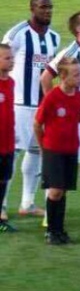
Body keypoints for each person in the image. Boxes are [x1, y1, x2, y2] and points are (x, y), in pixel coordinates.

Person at [1, 0, 60, 220]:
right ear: (32, 8)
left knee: (35, 151)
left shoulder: (54, 37)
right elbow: (2, 59)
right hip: (18, 104)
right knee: (10, 153)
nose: (47, 11)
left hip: (41, 105)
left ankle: (27, 202)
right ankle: (2, 204)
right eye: (43, 7)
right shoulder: (17, 34)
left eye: (50, 7)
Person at [41, 11, 80, 221]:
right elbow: (46, 77)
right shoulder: (69, 52)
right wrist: (56, 107)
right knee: (61, 170)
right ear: (79, 29)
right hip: (71, 121)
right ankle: (50, 216)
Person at [34, 57, 80, 245]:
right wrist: (43, 147)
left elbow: (76, 121)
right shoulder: (52, 97)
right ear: (62, 76)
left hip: (71, 149)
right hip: (53, 150)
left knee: (63, 191)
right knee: (55, 191)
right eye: (76, 74)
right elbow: (37, 124)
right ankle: (51, 231)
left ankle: (60, 229)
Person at [0, 45, 17, 232]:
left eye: (11, 58)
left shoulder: (11, 82)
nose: (11, 61)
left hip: (8, 143)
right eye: (6, 58)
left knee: (3, 180)